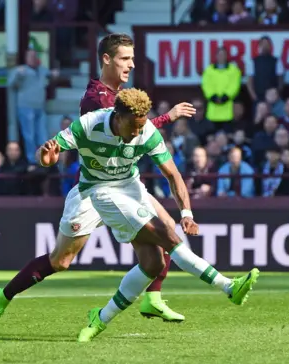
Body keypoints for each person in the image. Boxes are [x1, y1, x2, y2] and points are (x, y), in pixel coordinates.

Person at [0, 34, 196, 338]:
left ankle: (152, 298)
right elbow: (129, 133)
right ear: (106, 59)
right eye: (124, 58)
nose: (131, 64)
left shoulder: (119, 94)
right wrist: (166, 117)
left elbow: (134, 130)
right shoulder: (98, 101)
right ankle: (1, 297)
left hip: (121, 185)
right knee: (61, 260)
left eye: (132, 58)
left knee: (164, 229)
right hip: (94, 190)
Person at [38, 89, 259, 342]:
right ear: (117, 117)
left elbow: (173, 175)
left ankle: (99, 319)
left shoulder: (146, 132)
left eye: (141, 126)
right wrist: (46, 160)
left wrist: (186, 213)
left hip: (131, 188)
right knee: (168, 237)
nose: (136, 133)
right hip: (100, 192)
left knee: (153, 264)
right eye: (132, 126)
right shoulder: (89, 124)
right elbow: (47, 153)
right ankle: (228, 286)